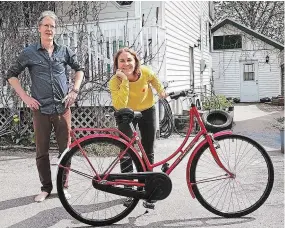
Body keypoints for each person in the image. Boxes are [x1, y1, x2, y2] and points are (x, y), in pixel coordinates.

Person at [6, 11, 84, 202]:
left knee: (65, 150)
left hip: (62, 108)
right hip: (40, 109)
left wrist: (74, 91)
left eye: (52, 26)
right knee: (42, 151)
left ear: (55, 30)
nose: (49, 29)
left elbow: (79, 69)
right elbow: (11, 74)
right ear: (39, 28)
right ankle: (46, 188)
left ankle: (63, 186)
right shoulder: (29, 53)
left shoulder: (64, 51)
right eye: (46, 25)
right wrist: (25, 97)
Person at [109, 47, 166, 167]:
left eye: (129, 60)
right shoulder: (114, 81)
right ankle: (127, 184)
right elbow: (120, 106)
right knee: (126, 150)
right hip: (126, 114)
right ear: (117, 64)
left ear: (135, 62)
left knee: (148, 149)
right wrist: (124, 80)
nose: (126, 64)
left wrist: (161, 91)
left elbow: (154, 79)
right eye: (122, 61)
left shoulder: (145, 72)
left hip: (147, 110)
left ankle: (146, 182)